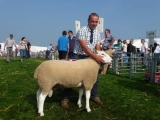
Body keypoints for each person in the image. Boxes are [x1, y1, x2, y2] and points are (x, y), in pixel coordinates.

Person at [61, 13, 105, 109]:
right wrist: (96, 57)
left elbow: (97, 47)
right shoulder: (82, 31)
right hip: (79, 56)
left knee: (94, 77)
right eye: (92, 21)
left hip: (90, 57)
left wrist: (100, 54)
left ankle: (94, 96)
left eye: (96, 21)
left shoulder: (97, 33)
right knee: (72, 77)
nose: (94, 23)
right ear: (88, 21)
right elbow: (84, 47)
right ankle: (65, 98)